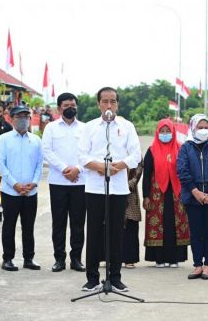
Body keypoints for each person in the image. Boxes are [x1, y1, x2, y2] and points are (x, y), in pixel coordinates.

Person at [78, 87, 141, 292]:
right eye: (104, 101)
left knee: (116, 232)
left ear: (117, 104)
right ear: (98, 104)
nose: (109, 105)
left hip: (119, 187)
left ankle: (115, 276)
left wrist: (119, 166)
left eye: (112, 101)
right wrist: (100, 167)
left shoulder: (127, 126)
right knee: (94, 231)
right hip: (95, 187)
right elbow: (82, 156)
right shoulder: (89, 127)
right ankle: (92, 277)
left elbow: (136, 155)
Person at [177, 114, 208, 280]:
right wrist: (195, 191)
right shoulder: (186, 147)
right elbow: (182, 171)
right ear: (193, 127)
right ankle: (197, 265)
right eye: (200, 127)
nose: (203, 130)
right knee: (196, 232)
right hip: (193, 197)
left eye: (206, 126)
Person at [0, 105, 44, 272]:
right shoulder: (4, 139)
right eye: (18, 116)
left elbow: (39, 164)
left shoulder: (36, 140)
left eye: (26, 116)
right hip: (10, 191)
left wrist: (34, 182)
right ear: (11, 119)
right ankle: (7, 258)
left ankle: (29, 258)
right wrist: (14, 184)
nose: (23, 119)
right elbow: (0, 164)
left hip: (31, 191)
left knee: (28, 226)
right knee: (9, 225)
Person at [41, 93, 86, 273]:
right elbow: (47, 151)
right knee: (58, 223)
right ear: (59, 109)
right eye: (66, 105)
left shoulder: (85, 128)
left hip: (80, 182)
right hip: (58, 182)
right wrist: (64, 169)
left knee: (78, 223)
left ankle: (76, 259)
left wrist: (77, 169)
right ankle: (59, 259)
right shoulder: (51, 128)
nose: (70, 108)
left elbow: (89, 152)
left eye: (73, 105)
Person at [143, 119, 189, 268]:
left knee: (174, 225)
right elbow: (147, 174)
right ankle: (159, 259)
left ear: (173, 132)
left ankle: (174, 258)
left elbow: (185, 172)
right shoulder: (151, 151)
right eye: (162, 131)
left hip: (176, 194)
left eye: (167, 131)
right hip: (157, 194)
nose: (165, 134)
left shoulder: (180, 149)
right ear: (157, 133)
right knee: (158, 225)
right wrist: (146, 196)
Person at [123, 159, 143, 268]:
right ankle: (112, 258)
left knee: (130, 224)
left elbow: (139, 168)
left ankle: (129, 259)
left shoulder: (134, 148)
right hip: (112, 189)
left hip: (131, 192)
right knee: (112, 223)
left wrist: (129, 183)